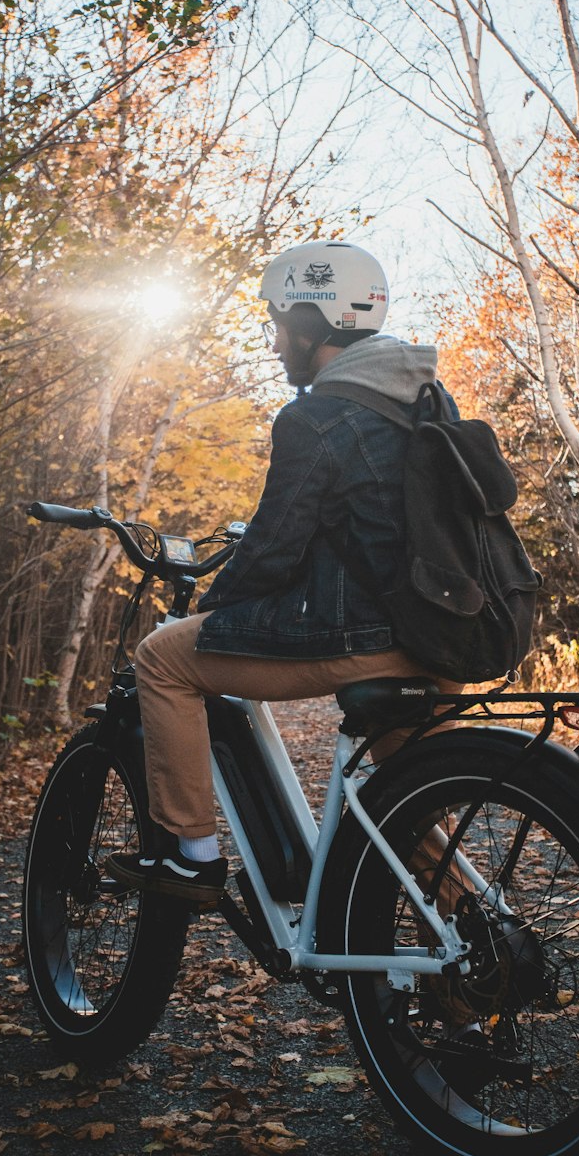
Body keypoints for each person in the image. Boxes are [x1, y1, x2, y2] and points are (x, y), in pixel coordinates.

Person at [107, 240, 459, 907]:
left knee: (162, 657)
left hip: (364, 639)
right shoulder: (427, 401)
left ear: (310, 327)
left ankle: (193, 859)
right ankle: (471, 947)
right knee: (406, 812)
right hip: (440, 637)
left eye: (278, 328)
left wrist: (204, 612)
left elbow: (272, 550)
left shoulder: (315, 417)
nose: (275, 347)